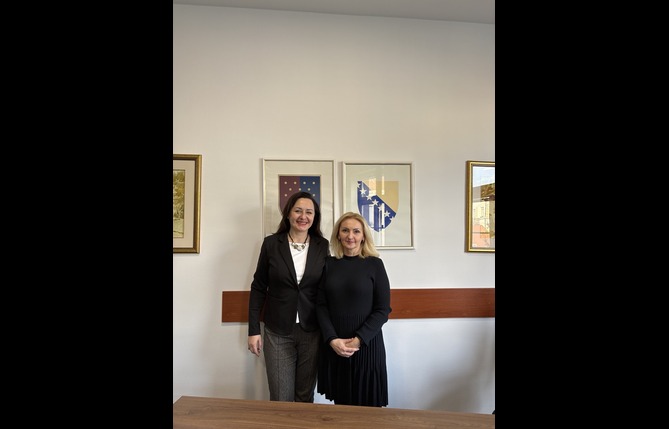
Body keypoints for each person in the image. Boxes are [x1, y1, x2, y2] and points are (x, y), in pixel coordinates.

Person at [247, 191, 330, 402]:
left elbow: (327, 289)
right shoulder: (271, 244)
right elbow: (258, 287)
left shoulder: (322, 246)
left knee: (305, 397)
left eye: (309, 212)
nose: (303, 216)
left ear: (315, 217)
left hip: (312, 331)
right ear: (288, 214)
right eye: (298, 211)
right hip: (277, 332)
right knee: (280, 397)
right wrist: (253, 330)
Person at [316, 211, 392, 407]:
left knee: (369, 410)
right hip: (336, 347)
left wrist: (358, 340)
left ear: (363, 235)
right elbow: (321, 306)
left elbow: (383, 309)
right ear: (338, 234)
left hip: (367, 346)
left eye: (356, 231)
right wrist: (332, 339)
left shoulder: (375, 265)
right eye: (345, 230)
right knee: (341, 410)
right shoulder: (328, 264)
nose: (350, 236)